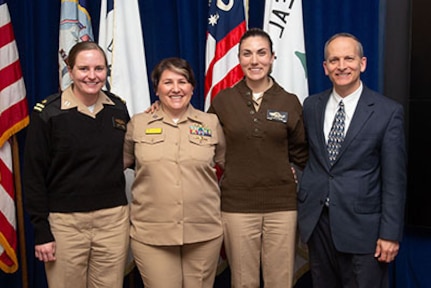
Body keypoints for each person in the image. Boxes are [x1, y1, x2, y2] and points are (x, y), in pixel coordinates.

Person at [298, 32, 407, 288]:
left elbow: (394, 180)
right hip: (318, 224)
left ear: (362, 63)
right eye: (334, 60)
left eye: (349, 58)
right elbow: (307, 157)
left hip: (363, 231)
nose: (342, 66)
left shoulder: (387, 112)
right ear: (325, 68)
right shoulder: (311, 106)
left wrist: (390, 234)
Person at [23, 41, 130, 288]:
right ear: (70, 71)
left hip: (112, 221)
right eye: (84, 69)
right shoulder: (48, 113)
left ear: (106, 70)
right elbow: (33, 176)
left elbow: (134, 151)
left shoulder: (119, 109)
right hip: (65, 224)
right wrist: (41, 231)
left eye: (99, 69)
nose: (92, 76)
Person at [207, 28, 309, 288]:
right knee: (243, 281)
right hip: (237, 205)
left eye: (261, 53)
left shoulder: (289, 101)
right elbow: (202, 140)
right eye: (247, 54)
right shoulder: (223, 100)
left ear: (273, 57)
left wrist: (291, 172)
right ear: (239, 59)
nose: (255, 61)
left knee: (280, 280)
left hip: (282, 206)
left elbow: (301, 152)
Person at [123, 57, 226, 287]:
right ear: (157, 88)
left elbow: (230, 166)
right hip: (152, 235)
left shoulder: (211, 123)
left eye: (183, 81)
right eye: (168, 82)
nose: (176, 89)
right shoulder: (138, 124)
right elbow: (117, 165)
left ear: (192, 87)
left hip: (203, 233)